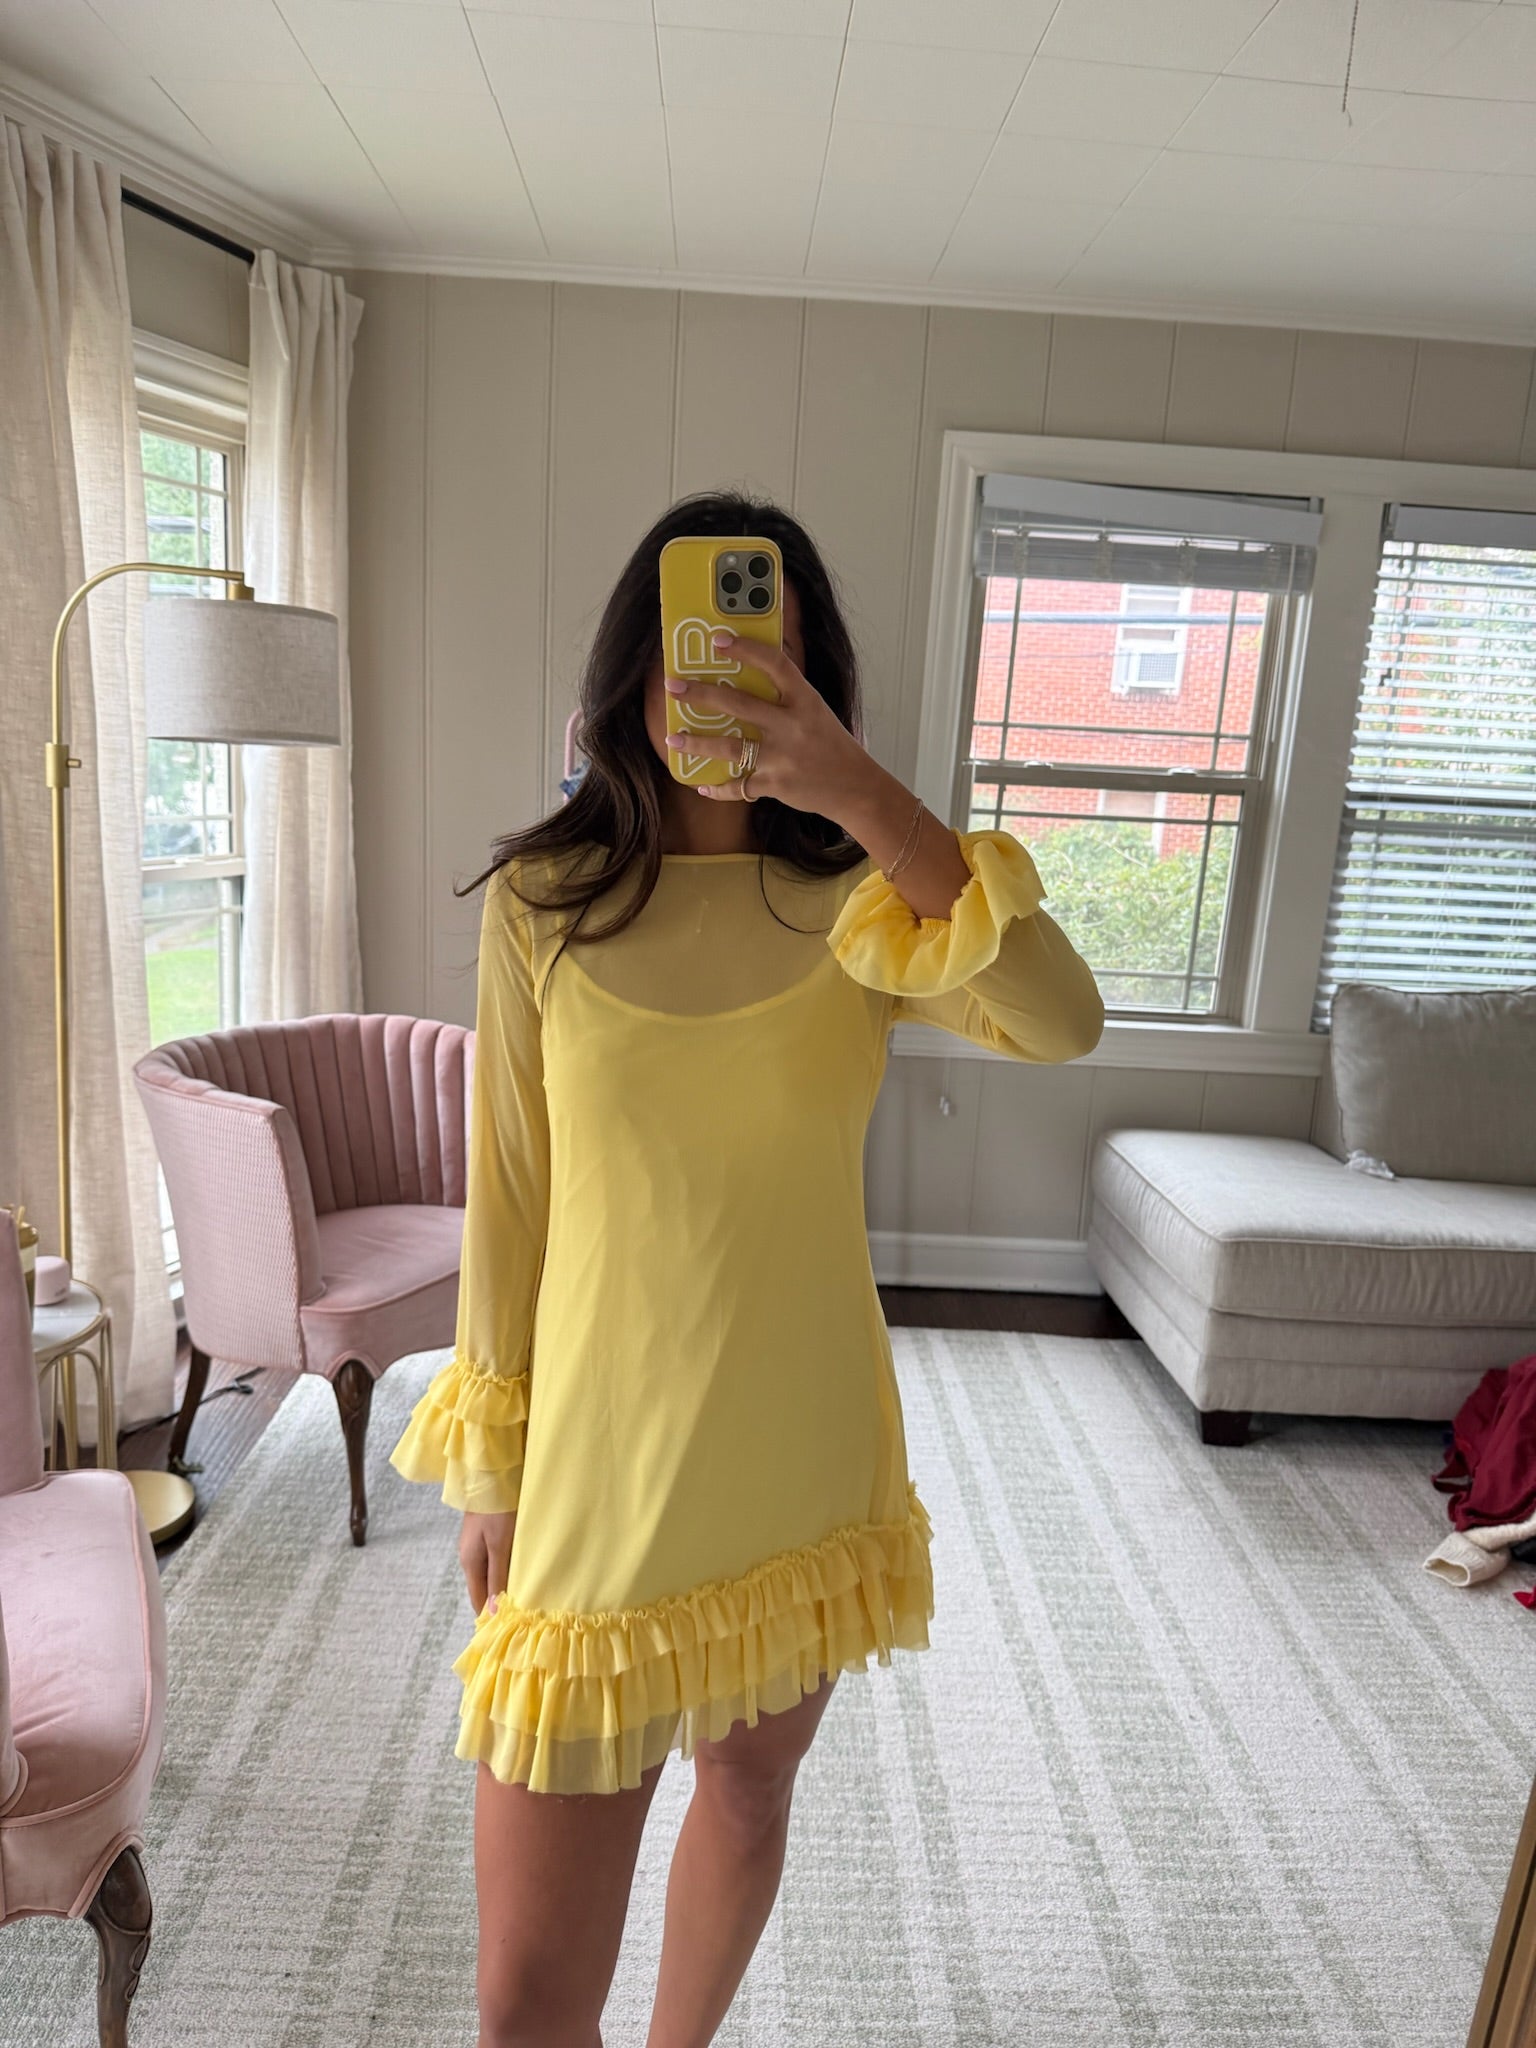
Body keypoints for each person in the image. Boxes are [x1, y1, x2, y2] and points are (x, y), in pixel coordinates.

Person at [388, 491, 1104, 2048]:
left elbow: (1061, 1019)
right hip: (599, 1471)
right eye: (691, 652)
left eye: (762, 656)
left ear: (816, 680)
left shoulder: (867, 907)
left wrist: (865, 795)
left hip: (798, 1456)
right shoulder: (543, 903)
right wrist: (491, 1469)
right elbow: (510, 1198)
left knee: (750, 1785)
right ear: (633, 675)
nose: (718, 688)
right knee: (523, 2002)